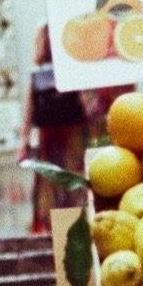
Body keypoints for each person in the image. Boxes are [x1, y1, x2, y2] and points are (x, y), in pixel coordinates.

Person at [19, 22, 89, 234]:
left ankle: (56, 228)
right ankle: (73, 224)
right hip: (71, 134)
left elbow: (29, 110)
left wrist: (23, 141)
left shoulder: (38, 74)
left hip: (52, 136)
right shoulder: (71, 68)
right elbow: (85, 104)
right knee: (70, 182)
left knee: (53, 184)